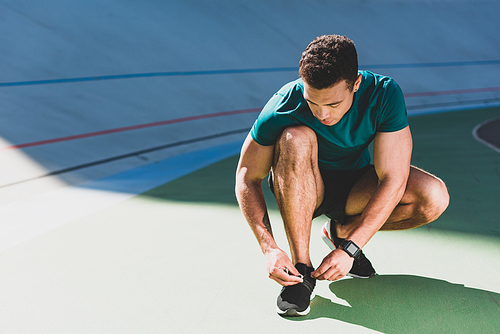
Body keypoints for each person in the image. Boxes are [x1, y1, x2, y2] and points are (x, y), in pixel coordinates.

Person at [235, 34, 450, 317]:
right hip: (300, 187)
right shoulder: (284, 103)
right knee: (295, 136)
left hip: (354, 188)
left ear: (356, 84)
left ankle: (340, 232)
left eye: (333, 104)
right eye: (313, 103)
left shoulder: (385, 93)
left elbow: (393, 179)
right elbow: (247, 176)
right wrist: (269, 249)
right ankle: (301, 271)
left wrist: (350, 248)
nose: (323, 113)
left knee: (433, 197)